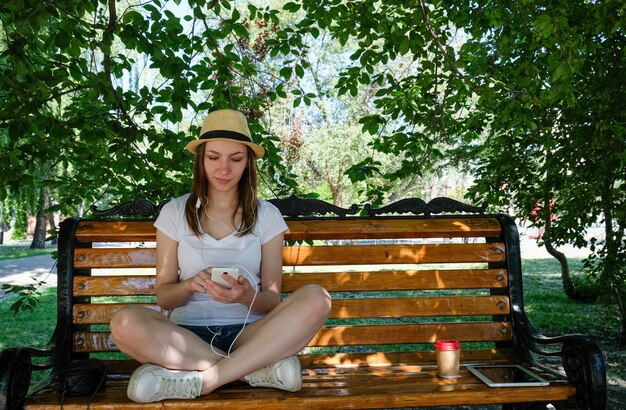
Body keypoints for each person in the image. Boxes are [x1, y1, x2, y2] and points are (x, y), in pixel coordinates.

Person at [110, 109, 332, 403]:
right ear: (200, 160)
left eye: (235, 159)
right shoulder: (175, 213)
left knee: (318, 298)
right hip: (183, 337)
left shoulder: (267, 216)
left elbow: (270, 300)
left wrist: (244, 296)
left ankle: (203, 382)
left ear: (248, 163)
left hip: (250, 334)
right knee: (124, 323)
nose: (224, 168)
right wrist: (189, 285)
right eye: (213, 157)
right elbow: (164, 298)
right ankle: (254, 369)